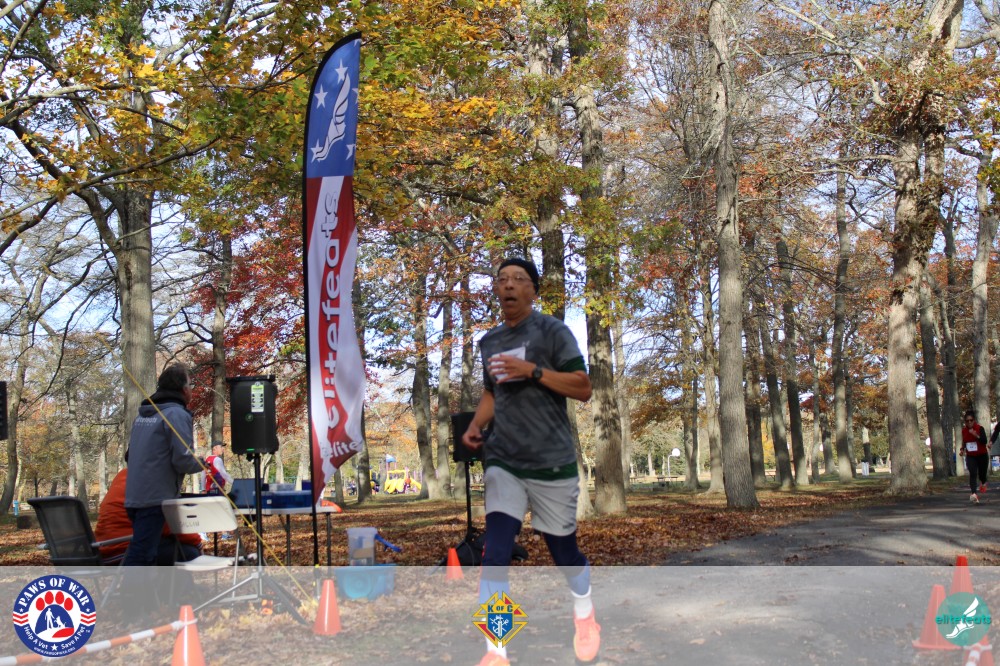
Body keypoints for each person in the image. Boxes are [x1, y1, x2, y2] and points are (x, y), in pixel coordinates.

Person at [462, 257, 599, 666]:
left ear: (533, 290)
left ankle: (584, 611)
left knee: (565, 555)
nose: (508, 285)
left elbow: (583, 387)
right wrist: (476, 425)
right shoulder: (489, 341)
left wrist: (533, 371)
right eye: (502, 279)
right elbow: (492, 393)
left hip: (550, 461)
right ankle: (496, 650)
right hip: (504, 459)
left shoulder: (553, 332)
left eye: (518, 279)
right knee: (495, 553)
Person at [123, 363, 206, 566]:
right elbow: (183, 460)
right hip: (155, 499)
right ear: (183, 389)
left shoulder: (143, 415)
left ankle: (149, 588)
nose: (191, 389)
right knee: (142, 555)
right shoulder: (176, 414)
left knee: (151, 552)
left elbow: (129, 455)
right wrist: (204, 464)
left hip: (134, 497)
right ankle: (127, 587)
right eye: (190, 385)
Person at [95, 466, 202, 564]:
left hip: (104, 547)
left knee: (170, 544)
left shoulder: (124, 475)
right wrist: (197, 542)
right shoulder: (150, 482)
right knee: (190, 553)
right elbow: (167, 523)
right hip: (125, 550)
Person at [961, 409, 990, 503]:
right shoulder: (964, 431)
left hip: (982, 455)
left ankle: (983, 482)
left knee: (982, 474)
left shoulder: (979, 428)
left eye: (971, 420)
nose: (969, 422)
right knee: (973, 473)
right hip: (971, 456)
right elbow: (964, 442)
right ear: (965, 422)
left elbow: (984, 441)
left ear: (974, 420)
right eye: (967, 421)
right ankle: (974, 494)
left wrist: (976, 435)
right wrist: (962, 449)